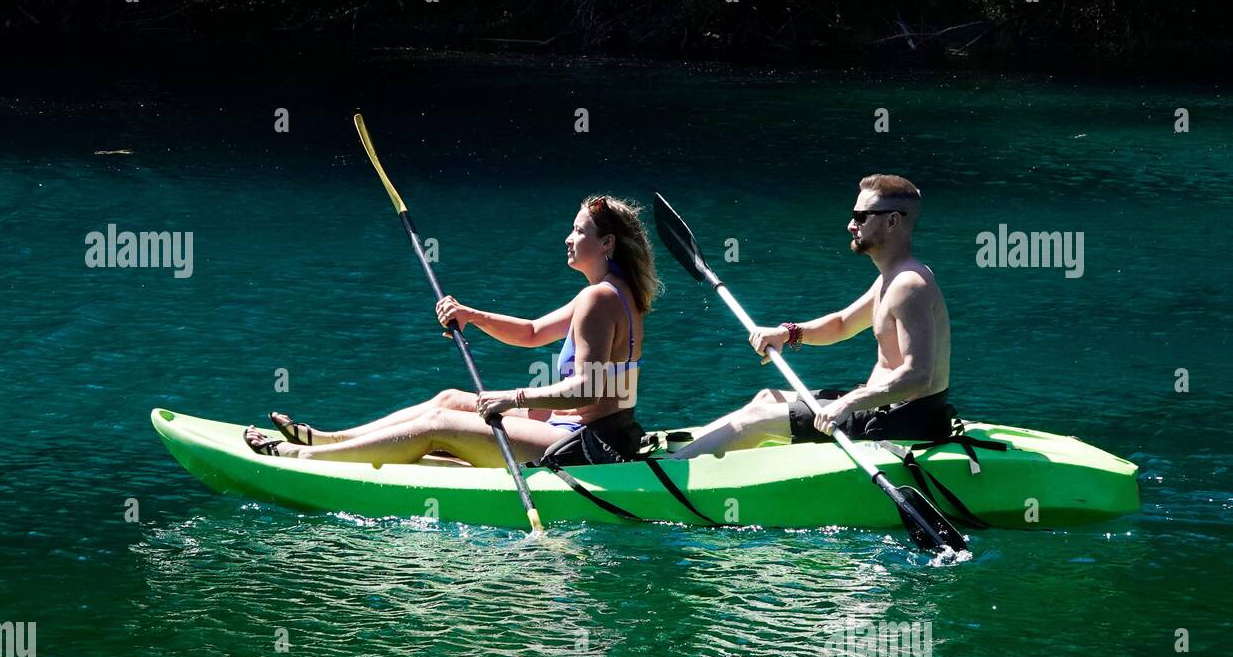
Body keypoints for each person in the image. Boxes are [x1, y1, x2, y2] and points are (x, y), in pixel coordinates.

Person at [243, 195, 660, 467]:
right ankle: (332, 438)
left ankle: (302, 455)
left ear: (606, 244)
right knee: (450, 399)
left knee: (439, 423)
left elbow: (587, 389)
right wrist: (472, 315)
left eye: (579, 231)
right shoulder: (616, 293)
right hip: (601, 432)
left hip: (587, 447)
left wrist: (512, 398)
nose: (568, 238)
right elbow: (533, 332)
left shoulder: (597, 300)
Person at [672, 174, 952, 460]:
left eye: (861, 216)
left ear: (892, 221)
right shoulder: (889, 279)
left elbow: (919, 376)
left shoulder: (909, 285)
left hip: (903, 423)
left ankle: (670, 474)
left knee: (753, 420)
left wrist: (847, 404)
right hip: (879, 406)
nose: (850, 225)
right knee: (768, 398)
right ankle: (676, 456)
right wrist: (787, 333)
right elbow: (842, 324)